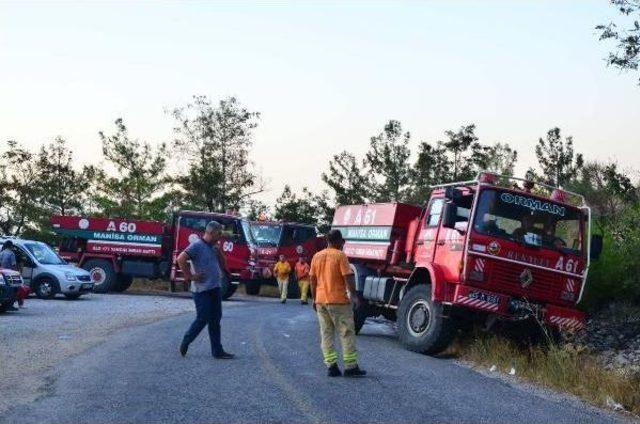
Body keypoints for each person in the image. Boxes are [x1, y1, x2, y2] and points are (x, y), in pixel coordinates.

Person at [310, 229, 366, 378]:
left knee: (326, 333)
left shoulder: (317, 256)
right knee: (346, 333)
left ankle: (331, 367)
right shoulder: (340, 255)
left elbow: (312, 279)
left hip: (321, 300)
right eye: (343, 242)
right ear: (340, 241)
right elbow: (347, 276)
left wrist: (314, 298)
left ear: (327, 241)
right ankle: (350, 367)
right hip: (339, 301)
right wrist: (353, 295)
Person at [177, 221, 234, 360]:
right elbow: (181, 258)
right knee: (203, 318)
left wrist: (220, 254)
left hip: (215, 288)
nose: (221, 235)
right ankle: (186, 340)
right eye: (219, 233)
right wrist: (190, 276)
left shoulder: (214, 246)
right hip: (201, 290)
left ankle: (217, 351)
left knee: (215, 320)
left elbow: (222, 262)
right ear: (211, 232)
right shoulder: (197, 246)